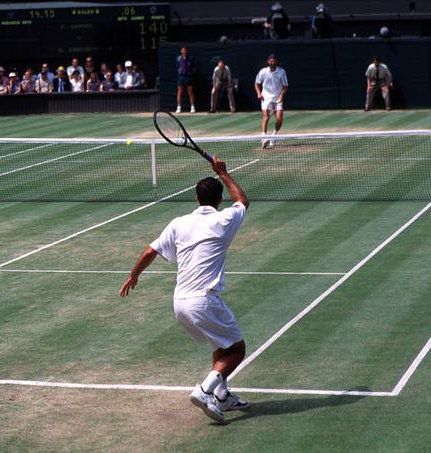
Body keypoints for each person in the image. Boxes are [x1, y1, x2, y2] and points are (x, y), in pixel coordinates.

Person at [119, 156, 250, 423]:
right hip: (204, 301)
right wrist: (223, 173)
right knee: (237, 350)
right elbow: (243, 202)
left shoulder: (179, 223)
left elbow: (150, 251)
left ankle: (222, 396)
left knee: (219, 345)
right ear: (218, 200)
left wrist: (134, 275)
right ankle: (204, 391)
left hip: (179, 302)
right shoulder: (224, 220)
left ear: (196, 198)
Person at [255, 54, 288, 148]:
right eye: (271, 60)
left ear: (276, 62)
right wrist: (258, 93)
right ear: (268, 61)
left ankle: (273, 136)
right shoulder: (263, 72)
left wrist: (281, 95)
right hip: (266, 98)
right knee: (266, 117)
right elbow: (256, 83)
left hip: (277, 98)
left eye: (274, 61)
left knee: (279, 119)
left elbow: (285, 86)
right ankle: (264, 138)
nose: (272, 62)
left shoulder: (281, 72)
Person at [176, 47, 196, 113]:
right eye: (182, 50)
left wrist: (190, 73)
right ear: (181, 51)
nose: (184, 51)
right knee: (180, 91)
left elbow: (193, 68)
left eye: (185, 50)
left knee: (190, 92)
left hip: (188, 77)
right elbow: (177, 66)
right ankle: (179, 107)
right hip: (181, 77)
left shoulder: (191, 58)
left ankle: (192, 107)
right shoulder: (178, 58)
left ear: (187, 51)